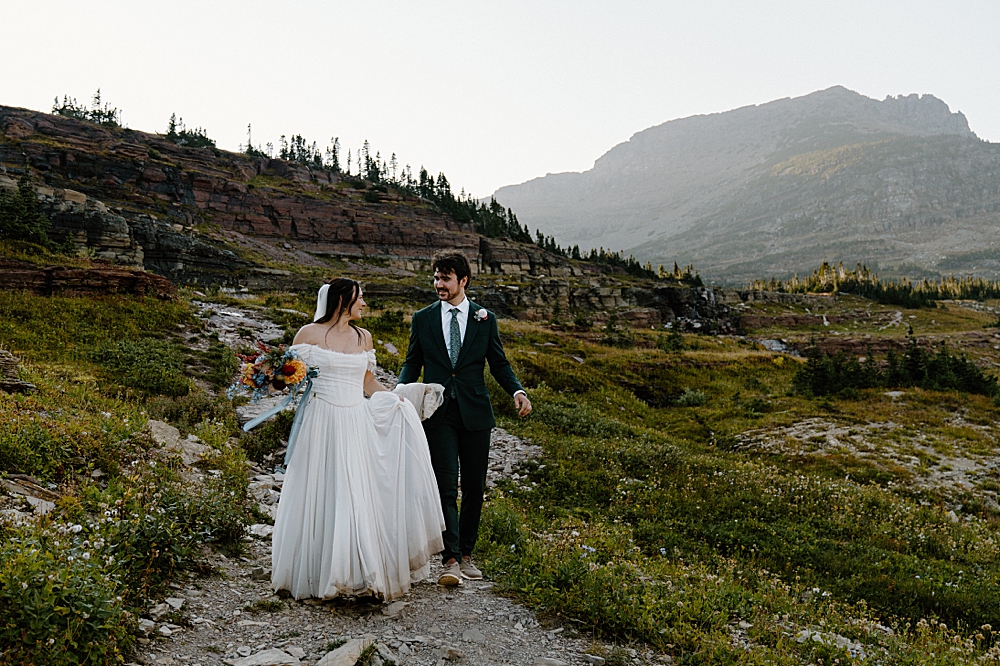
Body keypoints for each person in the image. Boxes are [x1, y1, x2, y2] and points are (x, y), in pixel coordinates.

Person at [270, 278, 445, 601]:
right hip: (320, 419)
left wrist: (395, 399)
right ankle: (317, 572)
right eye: (360, 298)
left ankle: (361, 574)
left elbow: (366, 381)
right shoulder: (307, 334)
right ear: (342, 301)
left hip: (354, 419)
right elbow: (287, 377)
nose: (365, 304)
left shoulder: (364, 337)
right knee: (321, 489)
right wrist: (269, 378)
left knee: (354, 492)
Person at [398, 252, 532, 586]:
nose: (438, 285)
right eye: (435, 278)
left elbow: (498, 363)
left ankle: (468, 553)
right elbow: (412, 361)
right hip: (438, 412)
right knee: (445, 485)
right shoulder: (423, 319)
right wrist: (399, 391)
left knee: (474, 486)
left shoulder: (485, 319)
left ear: (463, 281)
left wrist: (517, 391)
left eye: (445, 279)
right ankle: (451, 559)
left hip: (475, 410)